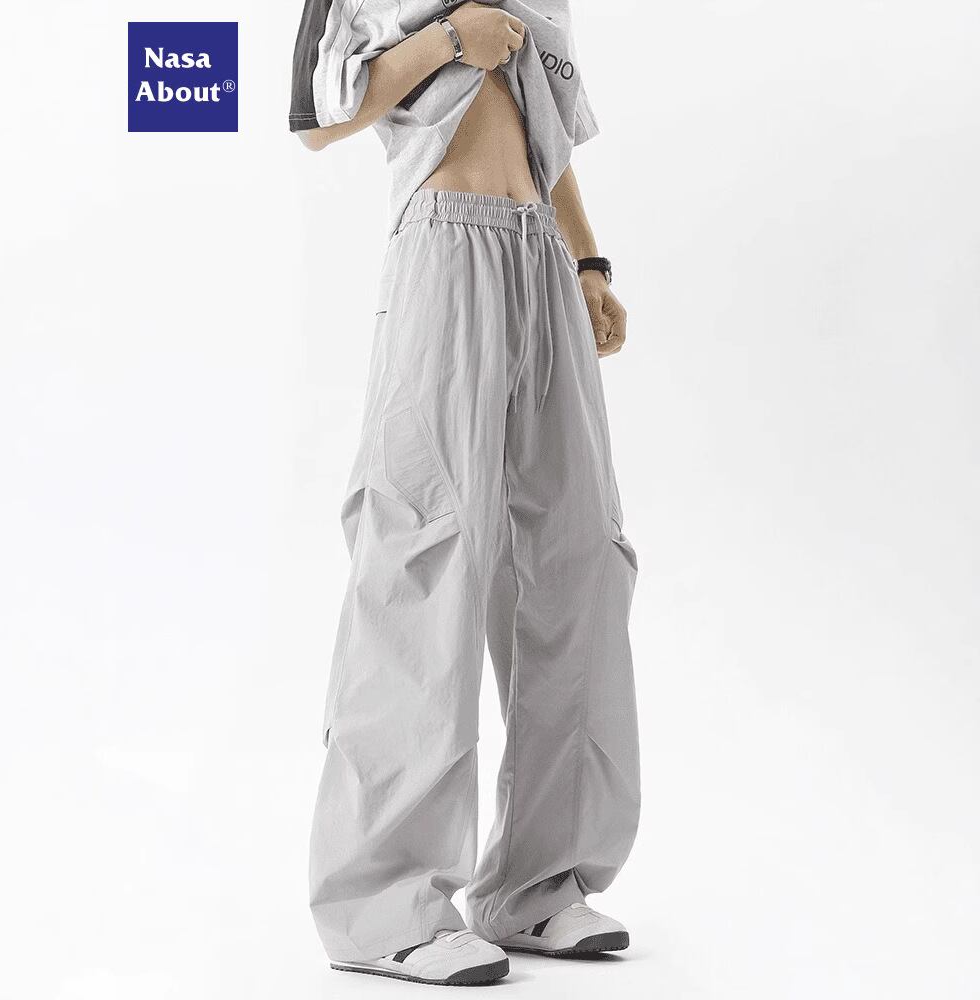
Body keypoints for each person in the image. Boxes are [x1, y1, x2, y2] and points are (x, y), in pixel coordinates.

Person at [289, 0, 640, 986]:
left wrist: (587, 259)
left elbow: (545, 128)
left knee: (577, 557)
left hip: (540, 251)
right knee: (424, 552)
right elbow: (317, 114)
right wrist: (449, 41)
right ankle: (382, 908)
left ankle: (537, 886)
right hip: (443, 242)